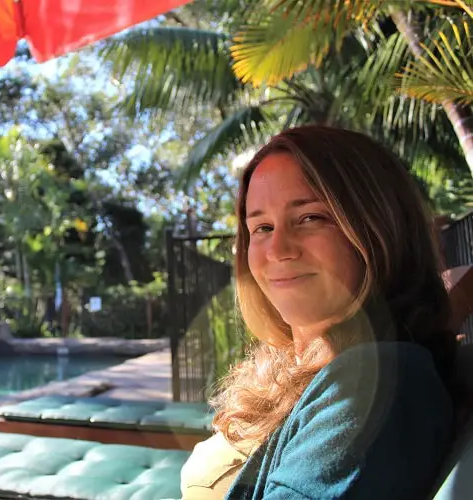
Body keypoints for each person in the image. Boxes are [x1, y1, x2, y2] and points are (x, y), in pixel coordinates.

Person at [180, 125, 459, 500]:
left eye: (310, 217)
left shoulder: (375, 382)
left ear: (377, 228)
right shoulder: (293, 368)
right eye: (261, 227)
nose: (278, 249)